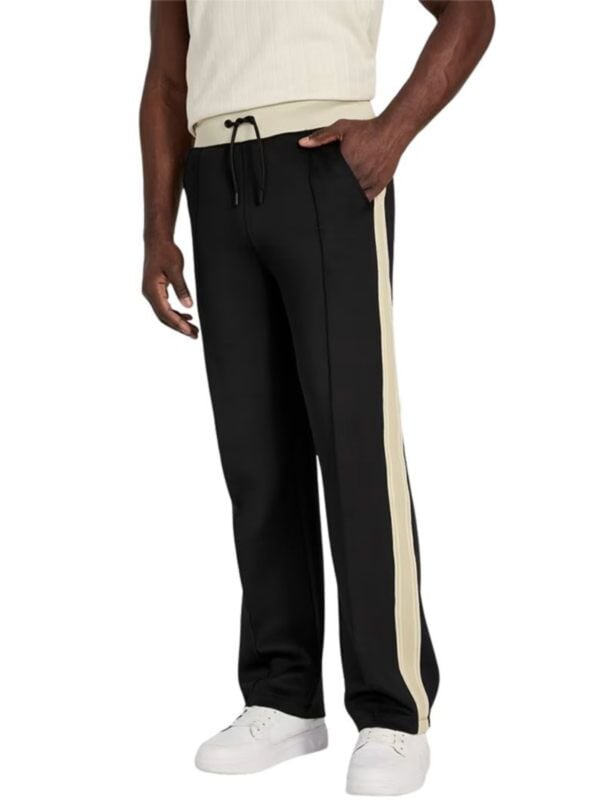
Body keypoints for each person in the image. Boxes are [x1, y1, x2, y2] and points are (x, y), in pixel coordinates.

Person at [140, 0, 494, 794]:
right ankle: (282, 695)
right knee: (256, 456)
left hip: (323, 164)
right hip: (215, 180)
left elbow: (470, 14)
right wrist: (158, 226)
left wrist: (391, 133)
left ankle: (393, 710)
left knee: (355, 442)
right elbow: (167, 77)